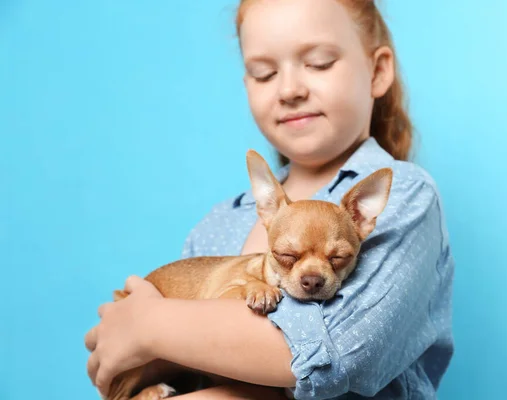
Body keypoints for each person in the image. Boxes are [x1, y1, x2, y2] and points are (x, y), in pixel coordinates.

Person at [84, 0, 455, 398]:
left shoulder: (403, 194)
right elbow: (180, 366)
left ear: (378, 72)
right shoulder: (219, 224)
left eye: (319, 62)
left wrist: (148, 326)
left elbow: (331, 352)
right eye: (265, 73)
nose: (290, 89)